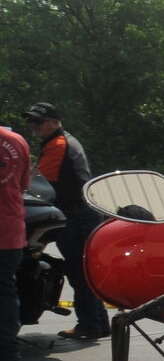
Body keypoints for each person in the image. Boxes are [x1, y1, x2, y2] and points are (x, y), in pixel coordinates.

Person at [23, 103, 108, 342]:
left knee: (78, 270)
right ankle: (98, 323)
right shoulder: (61, 142)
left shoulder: (58, 145)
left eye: (38, 122)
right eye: (31, 122)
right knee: (84, 270)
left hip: (76, 215)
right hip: (83, 212)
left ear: (54, 122)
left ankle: (89, 324)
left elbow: (36, 182)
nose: (33, 126)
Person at [0, 120, 30, 361]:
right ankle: (9, 356)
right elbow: (22, 184)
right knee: (6, 292)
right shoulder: (17, 141)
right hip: (10, 229)